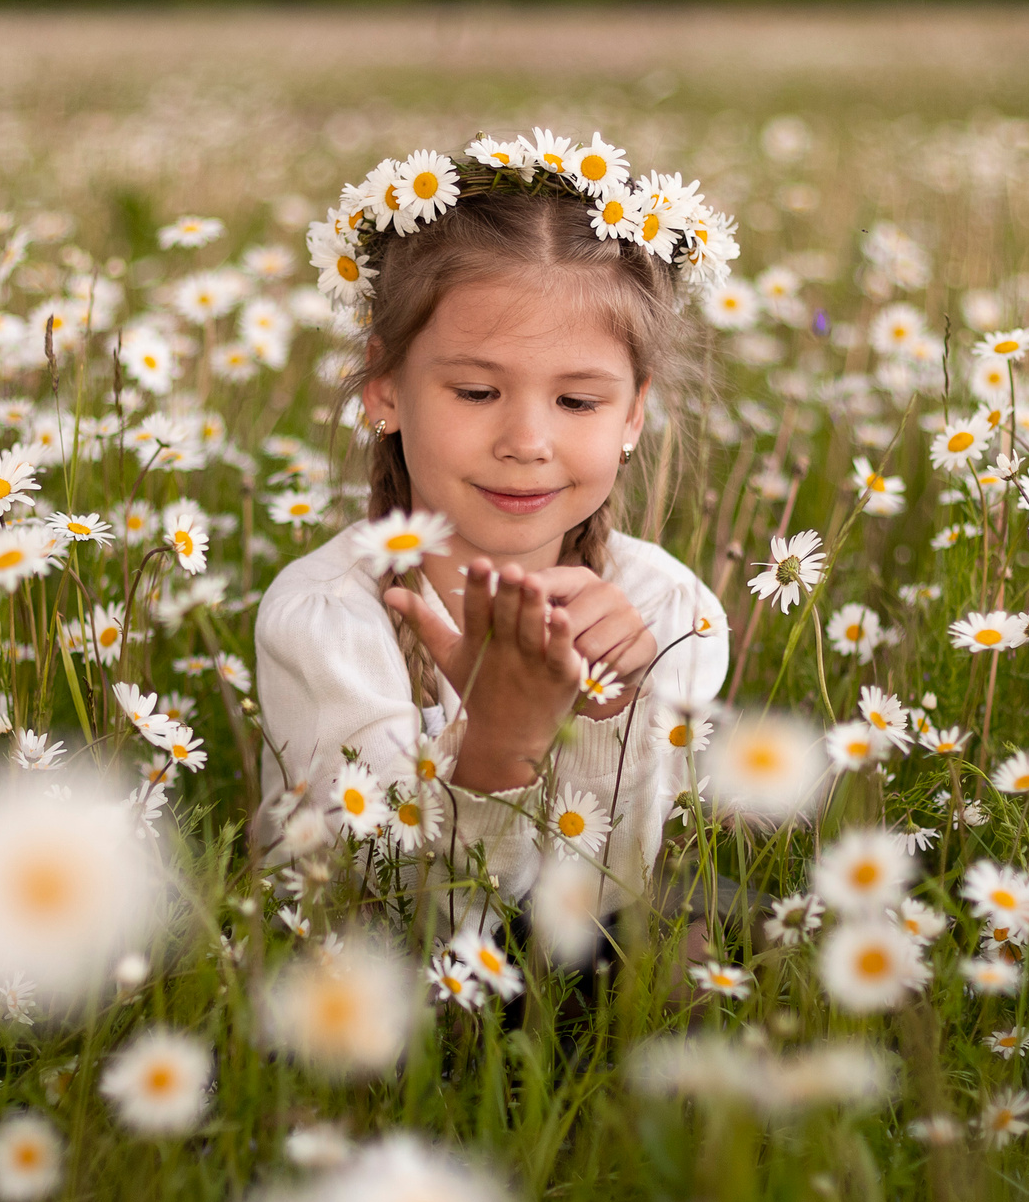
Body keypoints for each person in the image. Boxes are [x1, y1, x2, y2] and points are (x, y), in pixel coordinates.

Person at [254, 135, 734, 920]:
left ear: (634, 413)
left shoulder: (668, 612)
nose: (527, 441)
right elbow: (391, 916)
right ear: (385, 390)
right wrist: (496, 750)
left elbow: (611, 903)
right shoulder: (329, 618)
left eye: (578, 402)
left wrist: (609, 711)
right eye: (477, 391)